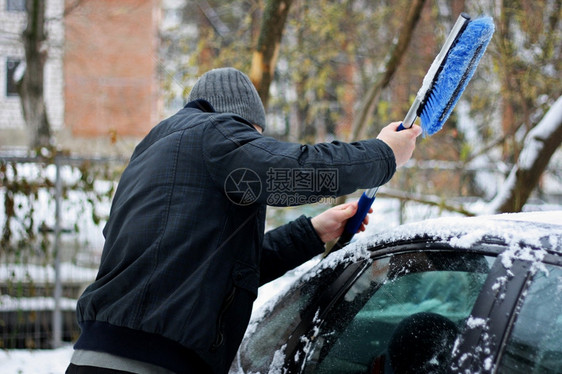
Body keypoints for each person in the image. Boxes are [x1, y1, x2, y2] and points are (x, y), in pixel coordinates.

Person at [66, 67, 421, 374]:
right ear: (242, 122)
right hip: (154, 363)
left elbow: (215, 268)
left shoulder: (150, 155)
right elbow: (292, 172)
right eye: (254, 136)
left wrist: (311, 233)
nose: (255, 143)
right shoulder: (216, 132)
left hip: (95, 356)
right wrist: (383, 154)